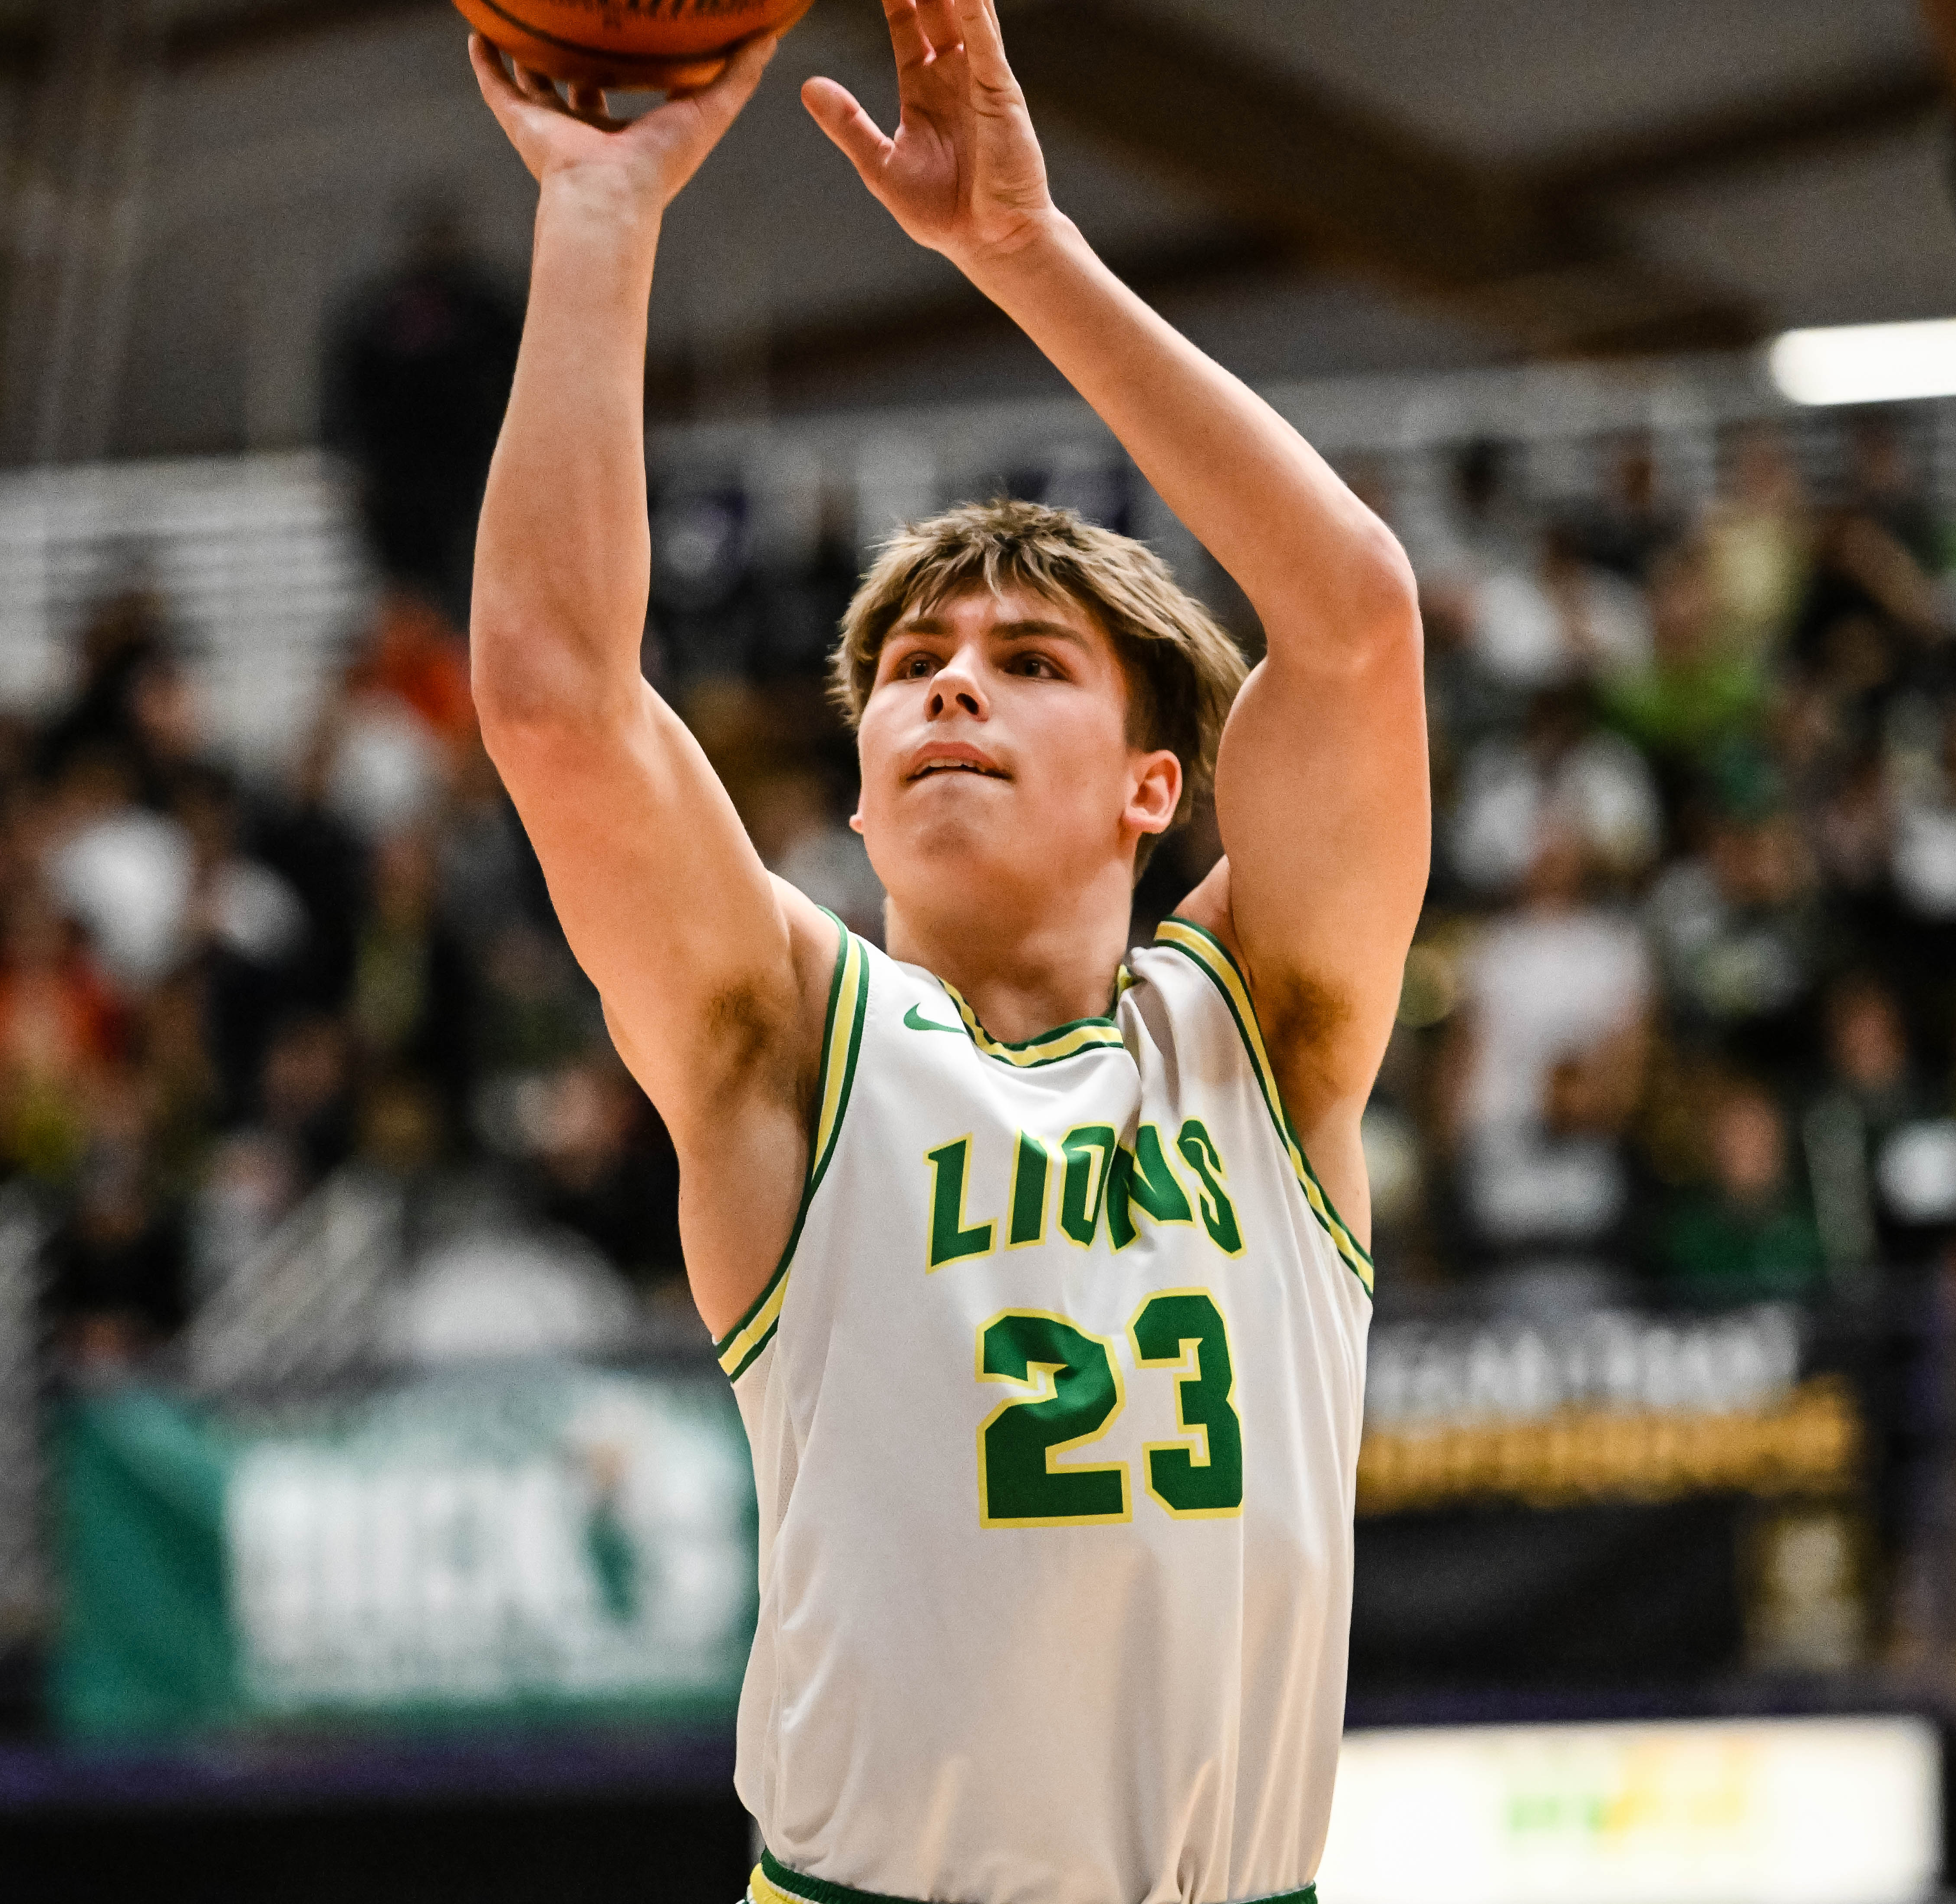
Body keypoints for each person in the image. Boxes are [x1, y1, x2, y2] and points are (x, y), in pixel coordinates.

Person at [463, 4, 1427, 1901]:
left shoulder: (1270, 1027)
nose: (946, 690)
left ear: (1158, 783)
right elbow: (558, 704)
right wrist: (599, 207)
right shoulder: (787, 1040)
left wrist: (1018, 253)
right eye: (908, 671)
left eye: (1023, 663)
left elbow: (1355, 627)